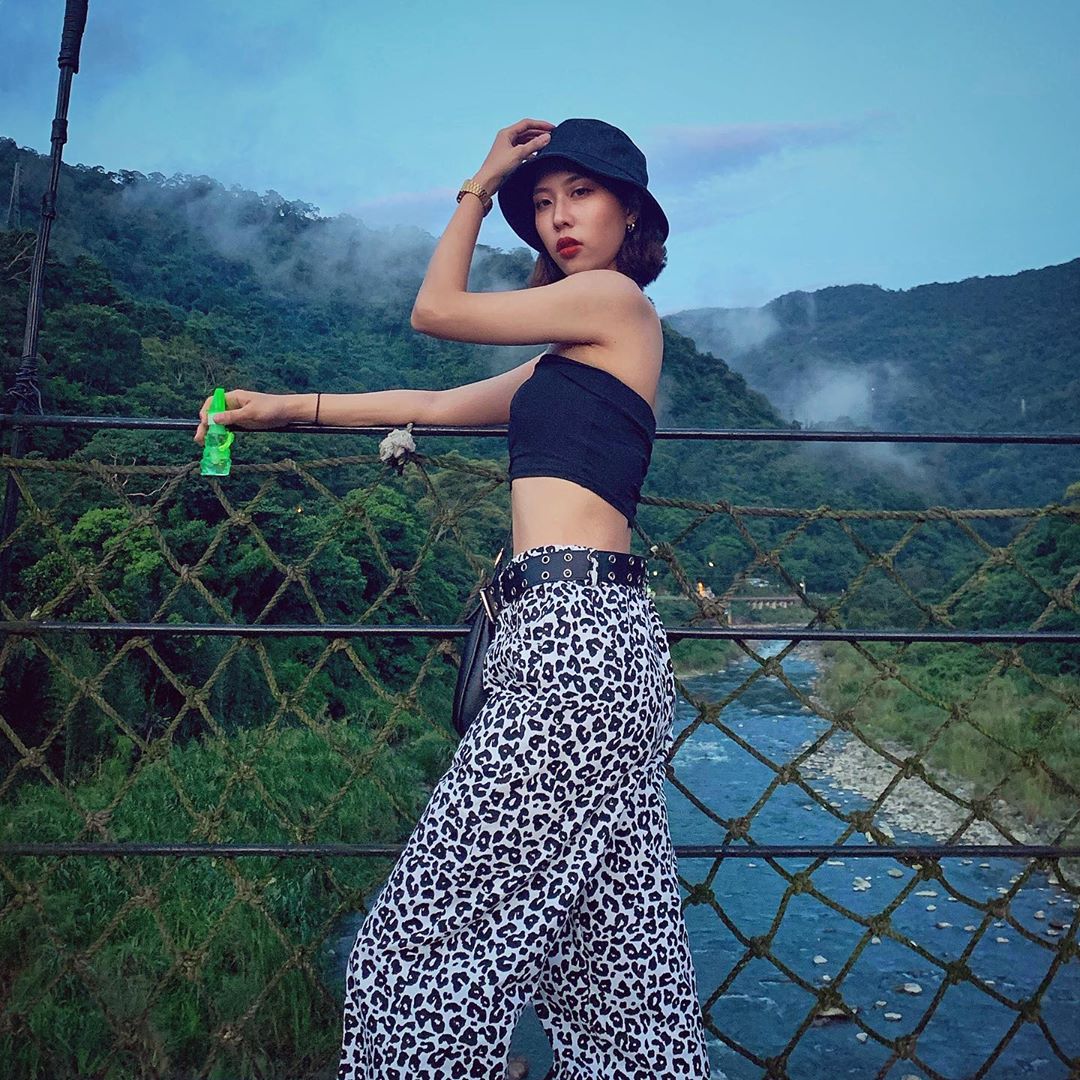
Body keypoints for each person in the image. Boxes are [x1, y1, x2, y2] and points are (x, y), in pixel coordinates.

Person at [195, 117, 710, 1080]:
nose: (558, 217)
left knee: (410, 960)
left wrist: (479, 185)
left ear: (632, 214)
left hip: (575, 646)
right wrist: (278, 409)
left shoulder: (615, 302)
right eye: (541, 202)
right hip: (586, 645)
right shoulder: (568, 358)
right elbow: (428, 404)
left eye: (580, 195)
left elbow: (434, 311)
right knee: (618, 983)